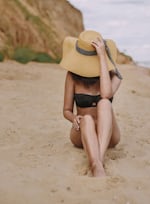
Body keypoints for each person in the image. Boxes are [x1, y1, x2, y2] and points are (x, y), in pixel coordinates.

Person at [60, 30, 123, 177]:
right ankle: (98, 165)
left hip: (108, 136)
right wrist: (73, 118)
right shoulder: (72, 76)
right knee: (86, 118)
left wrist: (102, 57)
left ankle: (96, 162)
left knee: (105, 103)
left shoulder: (114, 76)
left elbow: (106, 94)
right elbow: (66, 110)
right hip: (82, 132)